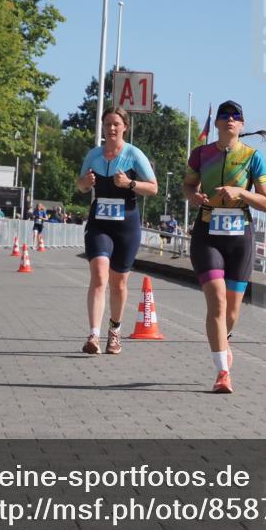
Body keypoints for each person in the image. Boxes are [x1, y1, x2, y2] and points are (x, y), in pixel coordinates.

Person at [183, 100, 266, 394]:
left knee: (231, 311)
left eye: (236, 117)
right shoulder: (201, 154)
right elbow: (188, 186)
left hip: (239, 237)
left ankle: (225, 337)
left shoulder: (253, 157)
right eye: (225, 117)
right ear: (217, 123)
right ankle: (222, 372)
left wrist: (240, 192)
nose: (230, 121)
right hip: (208, 234)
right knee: (217, 303)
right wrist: (194, 197)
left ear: (242, 125)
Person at [77, 107, 158, 355]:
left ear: (125, 127)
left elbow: (153, 188)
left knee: (119, 283)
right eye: (107, 124)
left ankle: (114, 331)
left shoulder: (134, 155)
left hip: (126, 225)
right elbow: (80, 186)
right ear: (102, 127)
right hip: (99, 222)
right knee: (99, 276)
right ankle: (94, 335)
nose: (111, 128)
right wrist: (85, 183)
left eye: (116, 124)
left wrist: (130, 184)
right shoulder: (93, 155)